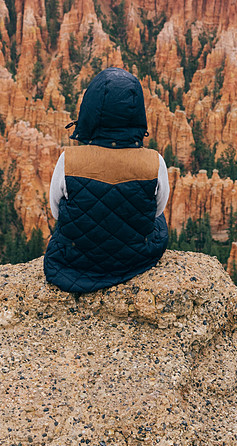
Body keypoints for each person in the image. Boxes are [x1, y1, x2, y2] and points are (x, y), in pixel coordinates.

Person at [44, 66, 170, 294]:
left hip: (73, 261)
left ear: (90, 111)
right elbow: (157, 210)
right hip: (135, 258)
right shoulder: (155, 162)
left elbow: (56, 212)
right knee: (159, 223)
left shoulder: (68, 160)